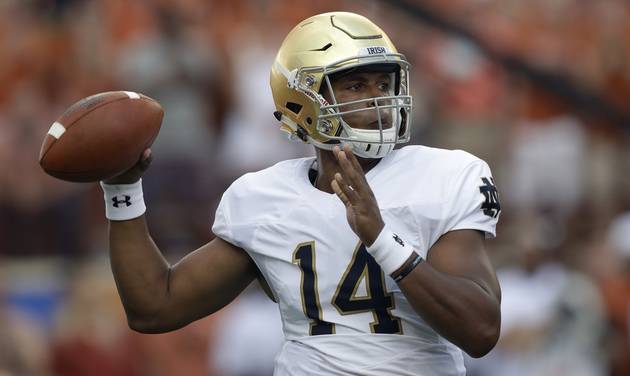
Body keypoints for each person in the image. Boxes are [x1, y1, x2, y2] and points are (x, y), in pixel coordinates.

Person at [99, 12, 502, 375]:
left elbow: (481, 330)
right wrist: (123, 189)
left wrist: (382, 239)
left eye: (384, 83)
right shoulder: (264, 198)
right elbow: (155, 307)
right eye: (356, 85)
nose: (379, 99)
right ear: (302, 100)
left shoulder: (446, 175)